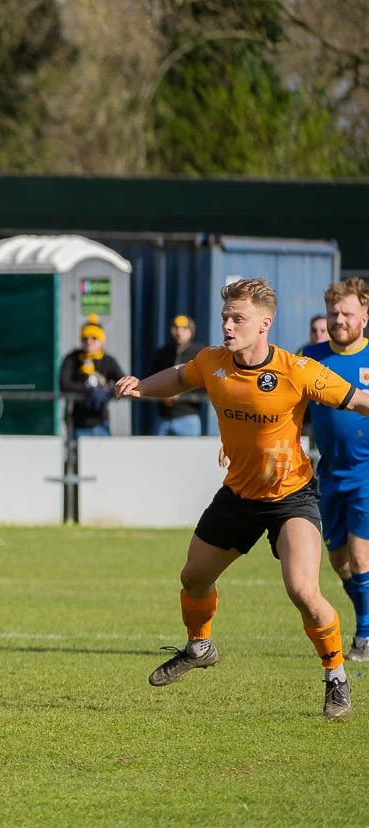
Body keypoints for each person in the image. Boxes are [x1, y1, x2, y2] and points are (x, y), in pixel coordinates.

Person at [114, 278, 369, 719]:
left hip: (291, 496)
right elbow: (178, 377)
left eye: (238, 319)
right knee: (193, 578)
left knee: (304, 591)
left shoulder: (297, 370)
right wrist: (141, 386)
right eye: (225, 318)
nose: (228, 327)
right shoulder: (212, 362)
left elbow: (359, 400)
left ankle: (336, 677)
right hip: (238, 496)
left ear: (264, 323)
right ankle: (199, 647)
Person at [301, 278, 369, 663]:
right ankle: (367, 613)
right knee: (340, 561)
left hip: (367, 470)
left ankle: (364, 633)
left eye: (347, 313)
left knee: (361, 557)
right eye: (333, 313)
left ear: (365, 316)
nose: (339, 320)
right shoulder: (310, 356)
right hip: (329, 472)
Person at [59, 315, 124, 437]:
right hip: (78, 422)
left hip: (101, 421)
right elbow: (64, 384)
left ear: (101, 340)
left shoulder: (108, 361)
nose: (89, 342)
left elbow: (122, 382)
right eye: (85, 338)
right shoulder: (72, 359)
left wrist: (106, 391)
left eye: (94, 338)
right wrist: (89, 390)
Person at [149, 315, 205, 436]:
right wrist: (162, 393)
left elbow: (207, 385)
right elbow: (152, 380)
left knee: (190, 453)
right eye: (176, 328)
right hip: (164, 417)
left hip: (188, 416)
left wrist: (181, 394)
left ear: (191, 331)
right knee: (157, 453)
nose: (179, 332)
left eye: (184, 329)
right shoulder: (162, 353)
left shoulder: (200, 353)